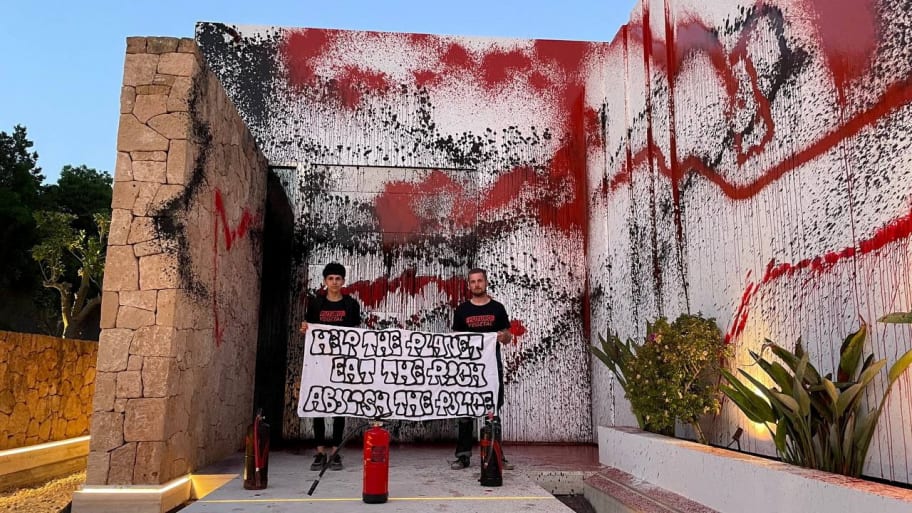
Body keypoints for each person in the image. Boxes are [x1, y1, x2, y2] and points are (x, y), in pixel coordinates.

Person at [449, 267, 514, 470]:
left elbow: (508, 335)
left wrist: (504, 337)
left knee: (492, 409)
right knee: (466, 410)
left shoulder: (497, 308)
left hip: (492, 365)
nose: (477, 284)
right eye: (473, 281)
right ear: (469, 285)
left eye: (480, 281)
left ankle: (496, 454)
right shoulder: (462, 311)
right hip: (468, 365)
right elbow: (456, 340)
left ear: (486, 283)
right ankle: (463, 456)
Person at [299, 262, 362, 471]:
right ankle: (319, 452)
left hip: (341, 362)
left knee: (339, 406)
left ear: (343, 281)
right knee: (318, 403)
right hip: (319, 363)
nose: (334, 282)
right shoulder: (316, 304)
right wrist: (305, 328)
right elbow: (308, 328)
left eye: (338, 278)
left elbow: (357, 334)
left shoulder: (351, 305)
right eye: (330, 278)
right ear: (325, 281)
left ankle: (335, 452)